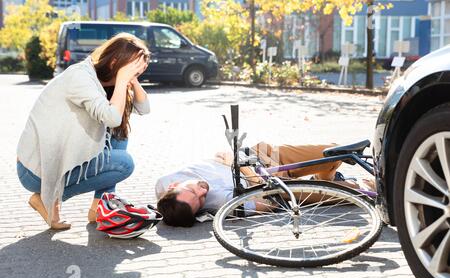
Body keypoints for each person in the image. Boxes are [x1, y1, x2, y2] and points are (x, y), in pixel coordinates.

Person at [16, 33, 151, 230]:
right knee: (123, 163)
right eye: (133, 67)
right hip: (36, 170)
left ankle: (98, 207)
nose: (135, 73)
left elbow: (144, 108)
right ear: (114, 62)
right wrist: (123, 79)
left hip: (58, 162)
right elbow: (112, 117)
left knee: (119, 134)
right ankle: (47, 200)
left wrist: (132, 79)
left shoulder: (108, 82)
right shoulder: (80, 77)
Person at [156, 142, 375, 227]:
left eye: (193, 189)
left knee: (334, 152)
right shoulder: (221, 203)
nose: (202, 191)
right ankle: (345, 184)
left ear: (174, 185)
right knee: (353, 195)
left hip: (263, 156)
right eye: (200, 200)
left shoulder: (163, 184)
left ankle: (326, 179)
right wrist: (240, 167)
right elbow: (269, 203)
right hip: (277, 186)